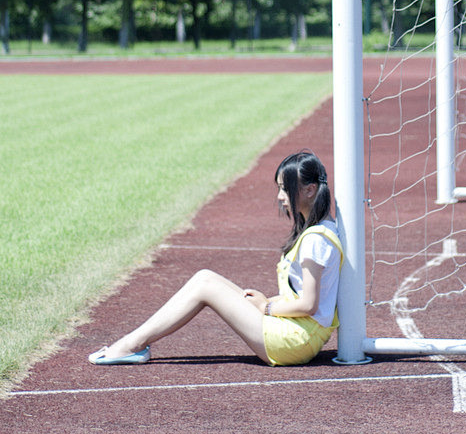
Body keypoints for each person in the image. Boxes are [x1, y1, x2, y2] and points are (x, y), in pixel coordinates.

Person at [88, 150, 343, 368]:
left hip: (294, 340)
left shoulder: (315, 239)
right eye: (279, 188)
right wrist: (267, 302)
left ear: (310, 190)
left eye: (285, 189)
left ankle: (132, 345)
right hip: (298, 332)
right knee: (205, 277)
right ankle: (133, 344)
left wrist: (266, 307)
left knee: (205, 286)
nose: (280, 197)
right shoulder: (323, 229)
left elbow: (308, 304)